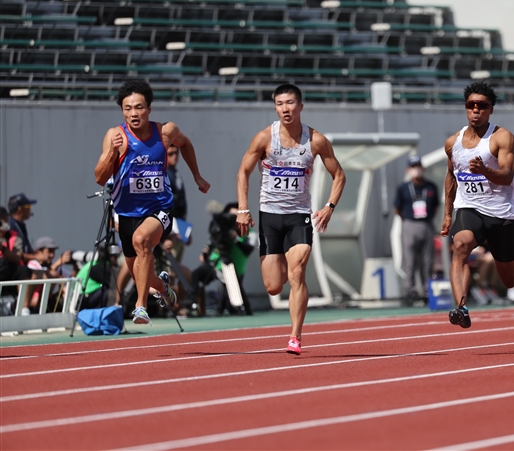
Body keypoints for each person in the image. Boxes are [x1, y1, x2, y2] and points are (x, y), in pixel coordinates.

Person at [236, 83, 345, 355]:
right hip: (270, 217)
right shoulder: (264, 138)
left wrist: (329, 206)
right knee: (274, 287)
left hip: (298, 217)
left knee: (297, 274)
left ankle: (295, 336)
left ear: (300, 106)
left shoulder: (315, 140)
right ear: (275, 107)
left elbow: (339, 175)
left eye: (290, 103)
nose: (286, 109)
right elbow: (243, 173)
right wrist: (242, 208)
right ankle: (282, 256)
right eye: (280, 104)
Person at [94, 79, 210, 325]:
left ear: (149, 108)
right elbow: (99, 178)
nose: (133, 114)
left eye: (138, 108)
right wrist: (112, 154)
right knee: (140, 272)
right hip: (127, 213)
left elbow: (186, 143)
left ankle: (141, 306)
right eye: (127, 109)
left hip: (160, 208)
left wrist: (197, 175)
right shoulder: (115, 136)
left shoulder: (165, 131)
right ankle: (164, 288)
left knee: (141, 240)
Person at [441, 81, 514, 328]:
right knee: (460, 245)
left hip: (500, 212)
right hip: (469, 207)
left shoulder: (501, 137)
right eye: (471, 105)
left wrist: (486, 170)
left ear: (491, 109)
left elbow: (507, 175)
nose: (476, 110)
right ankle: (461, 308)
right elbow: (451, 177)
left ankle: (513, 263)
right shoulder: (452, 142)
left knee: (508, 279)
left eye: (482, 106)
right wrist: (446, 214)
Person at [394, 155, 439, 305]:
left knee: (428, 261)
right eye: (414, 167)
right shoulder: (403, 187)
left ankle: (427, 290)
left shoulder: (431, 186)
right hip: (409, 223)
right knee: (410, 260)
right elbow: (397, 208)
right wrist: (407, 219)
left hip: (426, 223)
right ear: (409, 170)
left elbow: (436, 206)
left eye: (418, 166)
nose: (417, 170)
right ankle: (410, 291)